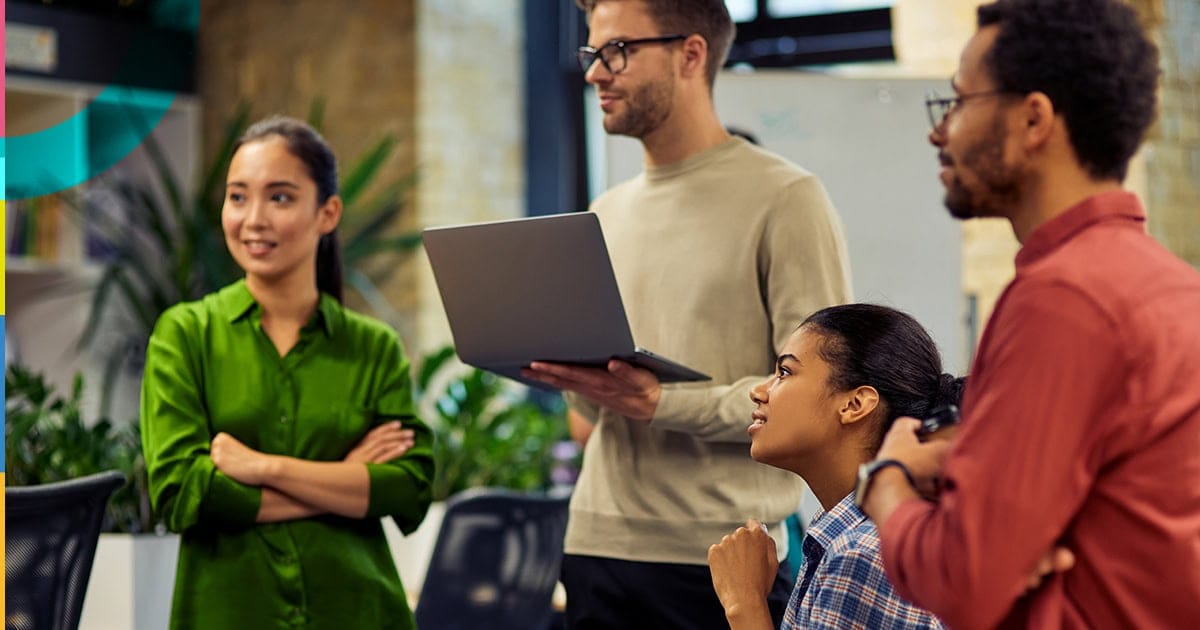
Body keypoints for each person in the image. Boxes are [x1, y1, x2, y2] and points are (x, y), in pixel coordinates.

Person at [855, 1, 1200, 628]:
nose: (940, 132)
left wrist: (888, 482)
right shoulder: (1174, 288)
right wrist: (965, 483)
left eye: (958, 102)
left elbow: (966, 580)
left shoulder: (1065, 299)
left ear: (1033, 119)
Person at [522, 0, 853, 626]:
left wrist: (659, 403)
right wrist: (566, 372)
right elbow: (600, 407)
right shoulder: (607, 210)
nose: (595, 72)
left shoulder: (787, 198)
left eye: (617, 51)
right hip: (596, 543)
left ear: (691, 54)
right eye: (591, 53)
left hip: (726, 554)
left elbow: (817, 395)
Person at [141, 116, 435, 630]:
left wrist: (260, 467)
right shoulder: (185, 334)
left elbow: (407, 488)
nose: (253, 218)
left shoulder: (373, 347)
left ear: (327, 213)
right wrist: (344, 482)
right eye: (237, 197)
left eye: (279, 197)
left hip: (359, 612)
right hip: (229, 614)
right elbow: (183, 492)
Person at [708, 304, 953, 629]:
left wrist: (745, 604)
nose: (758, 391)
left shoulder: (862, 556)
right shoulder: (848, 539)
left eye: (784, 373)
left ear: (854, 404)